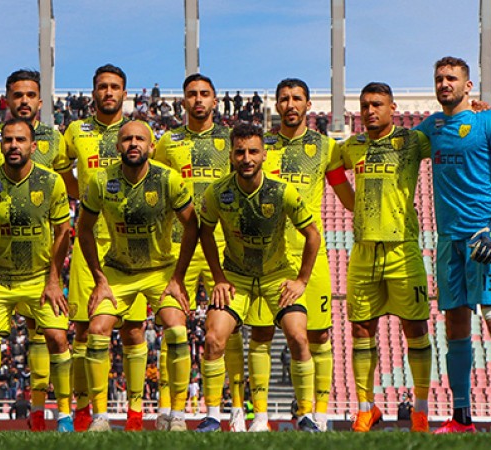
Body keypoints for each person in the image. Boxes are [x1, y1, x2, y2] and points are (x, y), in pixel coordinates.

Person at [416, 56, 491, 435]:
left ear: (468, 86)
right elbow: (399, 147)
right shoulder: (432, 127)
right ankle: (462, 418)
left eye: (452, 78)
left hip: (484, 236)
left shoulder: (489, 121)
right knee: (455, 326)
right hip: (448, 241)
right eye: (439, 78)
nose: (444, 84)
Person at [195, 123, 320, 433]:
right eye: (240, 152)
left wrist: (302, 280)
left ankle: (306, 416)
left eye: (253, 151)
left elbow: (313, 235)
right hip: (236, 280)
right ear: (231, 156)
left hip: (276, 277)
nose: (246, 158)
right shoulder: (218, 192)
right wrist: (219, 277)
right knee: (213, 338)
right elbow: (205, 233)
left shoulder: (282, 191)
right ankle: (212, 416)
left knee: (299, 337)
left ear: (264, 154)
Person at [77, 120, 198, 432]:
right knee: (98, 329)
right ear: (118, 146)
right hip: (119, 272)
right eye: (127, 139)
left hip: (161, 271)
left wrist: (178, 277)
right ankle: (101, 417)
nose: (133, 143)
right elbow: (85, 229)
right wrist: (100, 279)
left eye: (140, 139)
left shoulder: (168, 179)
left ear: (151, 146)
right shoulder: (102, 181)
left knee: (175, 330)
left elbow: (192, 225)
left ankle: (177, 416)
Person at [0, 69, 72, 431]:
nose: (24, 101)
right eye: (18, 95)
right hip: (0, 273)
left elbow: (68, 206)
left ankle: (48, 412)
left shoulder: (56, 146)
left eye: (31, 95)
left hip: (42, 272)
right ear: (7, 100)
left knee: (51, 335)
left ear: (40, 102)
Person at [250, 78, 354, 432]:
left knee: (320, 336)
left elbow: (346, 195)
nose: (290, 104)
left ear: (309, 105)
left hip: (311, 256)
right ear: (276, 106)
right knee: (261, 332)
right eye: (284, 99)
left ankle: (317, 415)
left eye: (297, 98)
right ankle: (260, 417)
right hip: (266, 258)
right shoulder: (261, 148)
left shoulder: (327, 149)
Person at [329, 82, 433, 433]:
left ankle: (420, 410)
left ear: (392, 108)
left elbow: (449, 140)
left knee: (415, 327)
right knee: (361, 329)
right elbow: (331, 168)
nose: (369, 111)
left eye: (377, 104)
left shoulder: (412, 141)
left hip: (403, 248)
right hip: (363, 250)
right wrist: (349, 201)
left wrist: (474, 113)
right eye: (364, 105)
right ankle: (364, 408)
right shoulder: (352, 146)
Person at [62, 64, 149, 431]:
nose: (108, 92)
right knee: (83, 329)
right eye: (102, 87)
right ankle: (86, 409)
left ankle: (134, 412)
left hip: (131, 244)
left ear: (124, 94)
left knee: (133, 330)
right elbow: (63, 169)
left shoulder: (137, 133)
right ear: (93, 92)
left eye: (115, 87)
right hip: (88, 242)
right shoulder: (75, 131)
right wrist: (79, 196)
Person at [153, 73, 240, 431]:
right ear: (183, 101)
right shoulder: (167, 142)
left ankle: (233, 407)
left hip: (222, 245)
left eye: (205, 94)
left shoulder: (231, 141)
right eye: (192, 94)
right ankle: (169, 410)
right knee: (171, 326)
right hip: (177, 247)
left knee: (228, 330)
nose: (199, 100)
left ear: (216, 101)